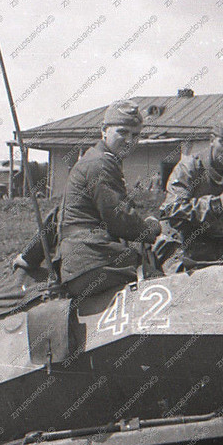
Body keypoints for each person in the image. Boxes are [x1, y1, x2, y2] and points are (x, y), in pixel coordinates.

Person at [56, 100, 161, 301]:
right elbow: (119, 219)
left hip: (86, 260)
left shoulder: (94, 159)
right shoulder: (101, 163)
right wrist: (150, 229)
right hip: (93, 261)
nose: (129, 140)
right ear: (104, 130)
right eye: (122, 132)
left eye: (135, 135)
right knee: (159, 284)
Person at [155, 117, 223, 268]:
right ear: (212, 140)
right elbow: (171, 211)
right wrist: (215, 204)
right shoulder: (190, 167)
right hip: (180, 246)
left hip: (218, 248)